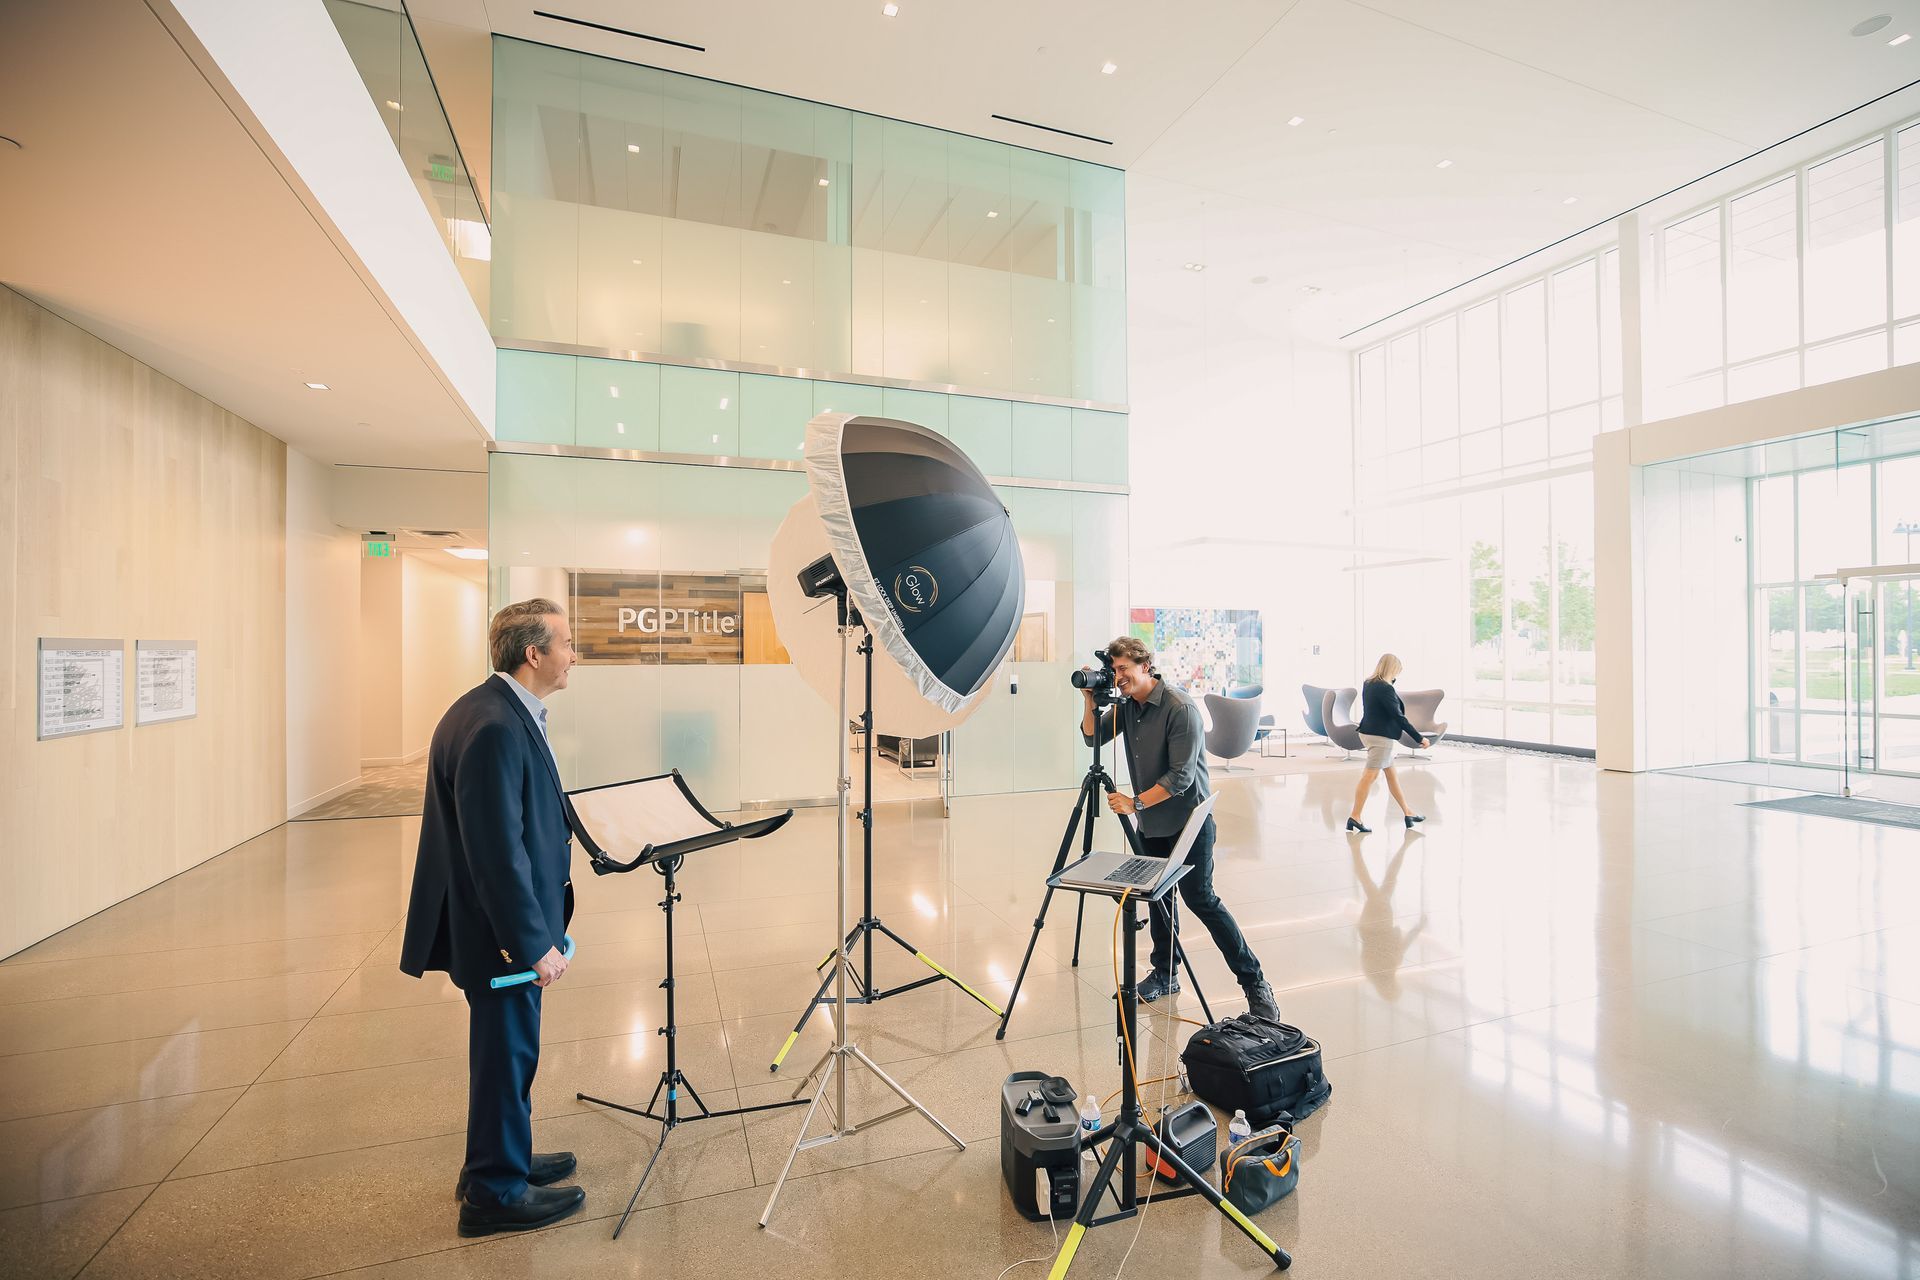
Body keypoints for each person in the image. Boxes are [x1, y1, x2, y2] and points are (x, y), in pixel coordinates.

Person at [400, 599, 586, 1238]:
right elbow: (494, 852)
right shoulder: (494, 727)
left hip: (500, 930)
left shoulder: (492, 709)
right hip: (503, 939)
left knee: (507, 1054)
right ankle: (493, 1193)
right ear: (534, 654)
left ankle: (500, 1158)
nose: (572, 655)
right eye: (565, 643)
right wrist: (533, 944)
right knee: (506, 1053)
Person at [1080, 636, 1280, 1022]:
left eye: (1124, 669)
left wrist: (1135, 803)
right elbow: (1093, 736)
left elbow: (1181, 778)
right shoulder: (1126, 707)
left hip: (1190, 822)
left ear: (1144, 666)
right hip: (1154, 821)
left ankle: (1255, 982)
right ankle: (1166, 973)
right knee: (1157, 896)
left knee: (1201, 900)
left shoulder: (1179, 707)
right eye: (1114, 670)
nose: (1118, 677)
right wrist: (1090, 699)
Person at [1346, 652, 1428, 833]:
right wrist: (1419, 737)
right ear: (1393, 669)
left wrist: (1391, 681)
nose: (1397, 675)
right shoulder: (1385, 688)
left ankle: (1407, 812)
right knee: (1369, 777)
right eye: (1396, 671)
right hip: (1381, 738)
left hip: (1368, 732)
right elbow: (1398, 716)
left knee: (1391, 776)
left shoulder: (1369, 684)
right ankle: (1355, 816)